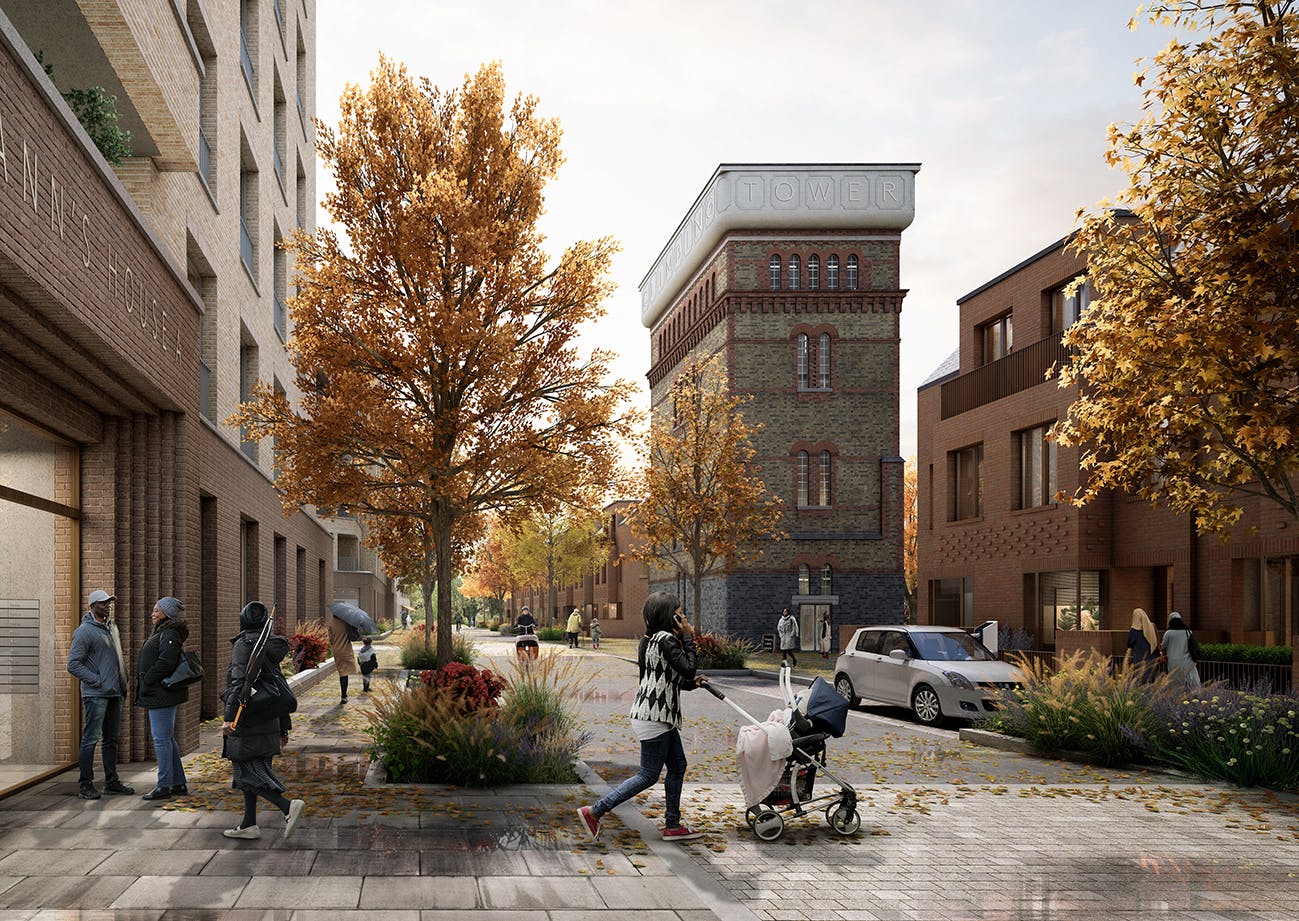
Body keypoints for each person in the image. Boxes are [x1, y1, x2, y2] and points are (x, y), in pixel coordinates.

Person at [577, 592, 706, 843]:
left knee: (678, 766)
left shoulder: (651, 640)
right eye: (681, 612)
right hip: (654, 718)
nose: (685, 616)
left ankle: (672, 825)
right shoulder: (667, 639)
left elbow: (666, 678)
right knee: (648, 775)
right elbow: (688, 667)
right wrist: (689, 635)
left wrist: (693, 684)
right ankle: (594, 811)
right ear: (672, 617)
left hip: (656, 716)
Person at [221, 602, 305, 840]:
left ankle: (288, 807)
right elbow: (277, 684)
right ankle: (249, 825)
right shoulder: (268, 645)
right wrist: (284, 727)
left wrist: (229, 718)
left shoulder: (244, 644)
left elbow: (238, 683)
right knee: (254, 770)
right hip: (268, 718)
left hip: (246, 718)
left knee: (245, 772)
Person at [66, 589, 134, 800]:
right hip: (96, 694)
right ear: (92, 606)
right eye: (103, 603)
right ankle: (85, 785)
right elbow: (73, 664)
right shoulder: (84, 631)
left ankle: (111, 782)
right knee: (91, 739)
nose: (107, 606)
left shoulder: (112, 628)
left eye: (109, 603)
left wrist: (124, 679)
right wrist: (98, 681)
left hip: (115, 693)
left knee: (111, 740)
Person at [135, 596, 191, 801]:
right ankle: (177, 783)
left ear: (166, 614)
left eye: (157, 611)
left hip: (161, 694)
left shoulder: (170, 632)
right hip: (160, 693)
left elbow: (166, 661)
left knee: (161, 740)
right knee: (167, 739)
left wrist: (148, 679)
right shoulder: (165, 631)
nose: (152, 613)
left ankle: (164, 785)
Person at [1160, 611, 1202, 689]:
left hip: (1173, 662)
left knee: (1175, 683)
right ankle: (1194, 697)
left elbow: (1163, 646)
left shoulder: (1168, 633)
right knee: (1191, 680)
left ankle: (1176, 698)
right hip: (1187, 661)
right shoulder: (1188, 632)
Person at [328, 611, 360, 703]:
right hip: (346, 649)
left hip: (337, 651)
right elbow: (353, 635)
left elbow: (331, 639)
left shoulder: (331, 623)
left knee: (342, 672)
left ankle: (344, 696)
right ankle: (344, 695)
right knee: (345, 673)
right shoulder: (346, 622)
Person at [1125, 607, 1159, 682]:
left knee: (1140, 681)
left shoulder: (1134, 631)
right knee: (1151, 681)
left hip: (1139, 659)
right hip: (1152, 658)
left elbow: (1129, 644)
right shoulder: (1152, 627)